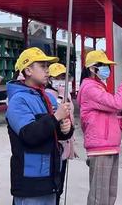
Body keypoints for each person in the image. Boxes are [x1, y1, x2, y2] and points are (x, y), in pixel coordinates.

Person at [6, 48, 74, 205]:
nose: (47, 71)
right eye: (42, 66)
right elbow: (29, 134)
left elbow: (54, 132)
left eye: (47, 66)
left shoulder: (48, 97)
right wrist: (56, 117)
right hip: (30, 180)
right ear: (28, 70)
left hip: (50, 177)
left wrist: (65, 129)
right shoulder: (18, 100)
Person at [77, 50, 122, 205]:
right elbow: (117, 103)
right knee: (99, 197)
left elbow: (104, 117)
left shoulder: (99, 87)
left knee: (109, 195)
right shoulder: (90, 88)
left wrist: (121, 122)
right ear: (92, 68)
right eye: (103, 65)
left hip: (110, 146)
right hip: (100, 149)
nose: (107, 69)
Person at [46, 63, 77, 204]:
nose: (62, 81)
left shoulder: (68, 96)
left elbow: (71, 118)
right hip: (55, 145)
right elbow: (52, 115)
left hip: (66, 142)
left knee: (60, 185)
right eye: (58, 77)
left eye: (64, 77)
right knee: (53, 184)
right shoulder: (48, 94)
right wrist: (59, 97)